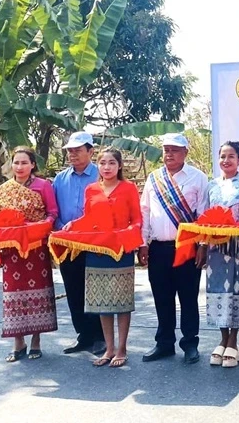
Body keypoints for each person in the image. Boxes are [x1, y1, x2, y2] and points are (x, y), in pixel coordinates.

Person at [139, 133, 209, 364]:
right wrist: (143, 244)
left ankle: (190, 343)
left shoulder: (198, 178)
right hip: (158, 247)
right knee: (162, 297)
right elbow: (145, 212)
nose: (169, 154)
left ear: (185, 153)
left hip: (188, 247)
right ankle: (164, 343)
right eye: (166, 149)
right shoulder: (154, 178)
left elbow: (203, 214)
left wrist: (202, 245)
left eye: (175, 150)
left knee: (188, 297)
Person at [0, 147, 59, 362]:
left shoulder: (43, 186)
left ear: (32, 165)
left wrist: (41, 226)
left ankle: (36, 341)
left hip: (35, 247)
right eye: (16, 162)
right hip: (11, 250)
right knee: (13, 292)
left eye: (24, 163)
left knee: (37, 290)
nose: (19, 167)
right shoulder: (4, 189)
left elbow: (52, 213)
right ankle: (18, 342)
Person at [81, 148, 143, 368]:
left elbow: (137, 219)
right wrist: (72, 227)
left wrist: (129, 235)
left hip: (121, 252)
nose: (106, 167)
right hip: (97, 251)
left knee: (121, 302)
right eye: (102, 163)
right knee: (102, 302)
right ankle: (109, 348)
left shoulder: (129, 188)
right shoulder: (90, 190)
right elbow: (86, 220)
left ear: (119, 166)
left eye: (111, 163)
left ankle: (122, 348)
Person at [206, 141, 239, 369]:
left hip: (237, 247)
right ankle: (222, 338)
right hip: (215, 248)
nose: (226, 160)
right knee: (219, 290)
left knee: (236, 289)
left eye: (231, 156)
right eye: (223, 156)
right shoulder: (212, 186)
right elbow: (205, 216)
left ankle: (234, 341)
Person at [52, 131, 104, 355]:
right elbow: (53, 210)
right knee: (73, 290)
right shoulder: (60, 179)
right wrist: (62, 227)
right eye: (69, 151)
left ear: (90, 151)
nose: (72, 154)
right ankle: (83, 334)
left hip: (94, 242)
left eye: (78, 150)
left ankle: (101, 336)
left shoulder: (101, 176)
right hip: (67, 244)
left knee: (96, 289)